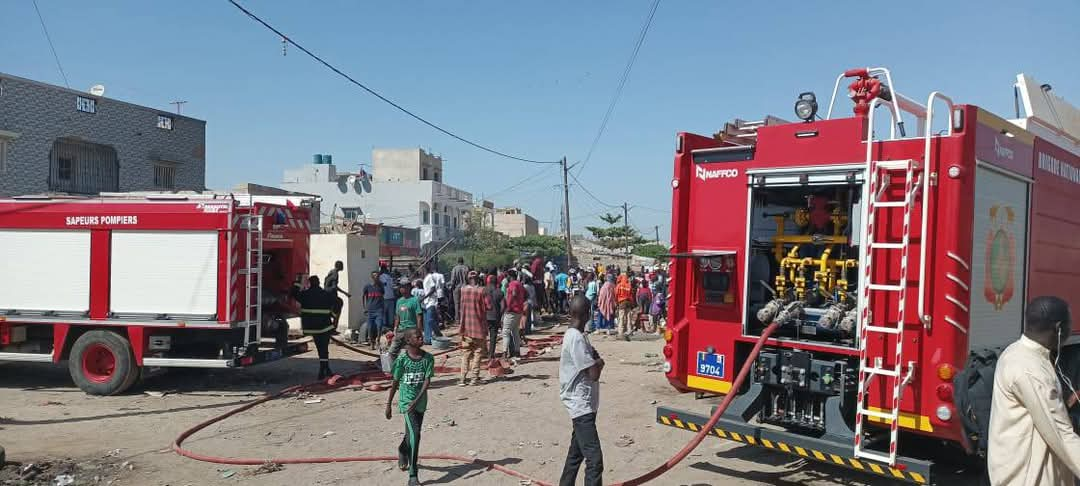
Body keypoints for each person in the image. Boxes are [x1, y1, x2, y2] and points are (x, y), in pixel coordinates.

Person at [988, 296, 1080, 485]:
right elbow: (1061, 434)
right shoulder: (1031, 370)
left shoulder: (1016, 351)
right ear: (1059, 328)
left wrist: (1064, 404)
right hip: (1030, 477)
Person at [559, 295, 605, 486]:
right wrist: (600, 362)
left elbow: (591, 360)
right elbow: (593, 373)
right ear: (586, 314)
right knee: (595, 461)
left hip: (585, 404)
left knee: (575, 455)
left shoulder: (578, 336)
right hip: (581, 406)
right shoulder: (576, 338)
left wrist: (594, 359)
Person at [384, 328, 434, 486]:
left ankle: (402, 449)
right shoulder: (402, 359)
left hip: (420, 403)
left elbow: (427, 382)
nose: (421, 338)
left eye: (421, 335)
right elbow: (395, 381)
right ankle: (413, 475)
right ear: (408, 341)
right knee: (416, 435)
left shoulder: (428, 358)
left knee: (411, 433)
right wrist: (389, 405)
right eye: (417, 336)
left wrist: (417, 400)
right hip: (406, 402)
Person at [290, 275, 337, 380]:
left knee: (320, 348)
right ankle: (324, 369)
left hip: (312, 327)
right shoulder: (326, 294)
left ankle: (325, 369)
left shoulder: (305, 295)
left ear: (309, 283)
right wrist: (334, 317)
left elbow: (294, 293)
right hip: (325, 326)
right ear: (319, 282)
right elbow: (338, 302)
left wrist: (298, 281)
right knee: (324, 349)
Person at [457, 272, 488, 386]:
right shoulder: (481, 291)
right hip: (478, 327)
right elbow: (489, 306)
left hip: (466, 328)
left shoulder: (463, 290)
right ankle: (474, 378)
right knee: (478, 353)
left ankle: (462, 379)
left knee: (465, 354)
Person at [389, 283, 424, 360]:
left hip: (412, 330)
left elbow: (419, 316)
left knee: (411, 352)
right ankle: (395, 369)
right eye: (401, 287)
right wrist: (395, 328)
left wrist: (419, 330)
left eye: (404, 287)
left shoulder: (415, 300)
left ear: (409, 288)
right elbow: (397, 316)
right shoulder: (399, 301)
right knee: (392, 352)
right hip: (401, 330)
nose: (402, 289)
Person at [502, 269, 526, 358]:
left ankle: (504, 353)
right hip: (519, 311)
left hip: (512, 311)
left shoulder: (513, 284)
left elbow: (514, 293)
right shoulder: (519, 283)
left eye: (507, 276)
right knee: (515, 332)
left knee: (505, 332)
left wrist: (508, 306)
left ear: (510, 276)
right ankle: (517, 351)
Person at [421, 265, 444, 345]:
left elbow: (433, 288)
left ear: (424, 270)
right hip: (427, 302)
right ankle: (427, 339)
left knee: (430, 320)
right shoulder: (426, 278)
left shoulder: (429, 277)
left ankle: (437, 333)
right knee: (427, 321)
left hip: (432, 302)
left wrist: (424, 297)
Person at [361, 271, 385, 348]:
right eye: (374, 276)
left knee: (379, 325)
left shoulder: (381, 286)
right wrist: (364, 307)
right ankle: (372, 342)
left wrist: (383, 307)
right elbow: (363, 297)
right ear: (372, 277)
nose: (376, 277)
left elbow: (382, 297)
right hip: (370, 310)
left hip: (379, 309)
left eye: (377, 276)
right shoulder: (367, 287)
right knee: (370, 327)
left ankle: (378, 340)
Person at [485, 275, 505, 358]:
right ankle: (491, 354)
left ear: (488, 281)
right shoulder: (499, 292)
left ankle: (482, 352)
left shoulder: (484, 291)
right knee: (493, 336)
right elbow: (503, 306)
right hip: (495, 317)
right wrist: (499, 315)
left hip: (484, 316)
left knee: (482, 336)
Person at [380, 265, 398, 343]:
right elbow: (393, 287)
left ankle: (384, 328)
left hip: (384, 298)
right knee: (390, 314)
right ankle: (389, 328)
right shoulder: (389, 277)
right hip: (390, 297)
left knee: (384, 314)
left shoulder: (380, 277)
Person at [449, 257, 470, 322]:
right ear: (463, 261)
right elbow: (468, 279)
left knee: (457, 304)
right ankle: (465, 317)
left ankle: (458, 319)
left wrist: (451, 287)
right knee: (465, 303)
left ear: (458, 261)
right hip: (465, 287)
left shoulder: (454, 269)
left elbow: (453, 280)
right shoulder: (466, 268)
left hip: (457, 288)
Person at [614, 274, 634, 340]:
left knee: (621, 317)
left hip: (621, 302)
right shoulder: (629, 285)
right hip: (628, 302)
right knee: (629, 317)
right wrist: (632, 303)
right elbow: (631, 295)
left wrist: (616, 303)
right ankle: (629, 331)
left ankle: (621, 332)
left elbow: (616, 294)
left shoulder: (619, 285)